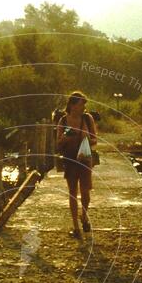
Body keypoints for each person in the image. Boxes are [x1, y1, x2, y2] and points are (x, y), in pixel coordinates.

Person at [56, 91, 97, 238]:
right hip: (70, 158)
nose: (83, 107)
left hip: (85, 158)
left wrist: (86, 138)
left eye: (84, 104)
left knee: (85, 191)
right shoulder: (63, 121)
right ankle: (76, 227)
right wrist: (65, 137)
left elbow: (95, 140)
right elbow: (58, 144)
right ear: (72, 105)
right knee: (72, 192)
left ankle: (84, 216)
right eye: (81, 104)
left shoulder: (87, 118)